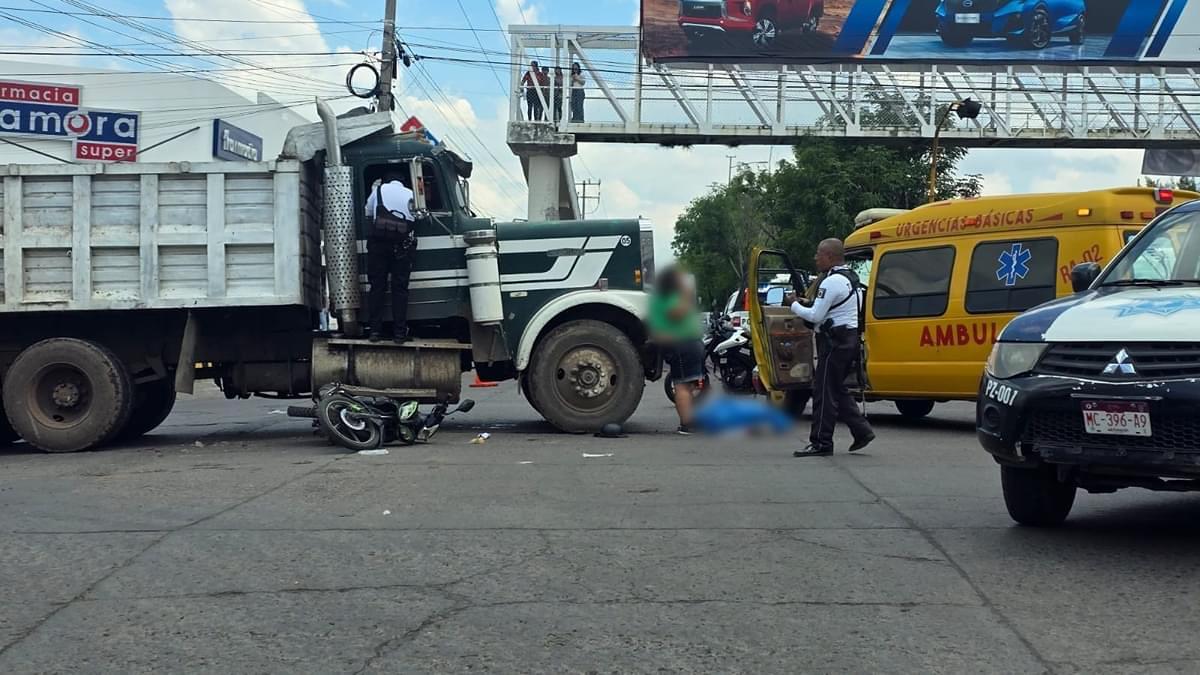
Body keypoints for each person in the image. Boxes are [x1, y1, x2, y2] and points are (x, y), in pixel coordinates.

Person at [785, 238, 875, 457]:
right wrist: (808, 304)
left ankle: (821, 443)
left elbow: (816, 315)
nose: (816, 258)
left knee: (823, 393)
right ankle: (862, 431)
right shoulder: (849, 279)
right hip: (848, 339)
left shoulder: (830, 281)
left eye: (819, 254)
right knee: (835, 389)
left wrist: (794, 305)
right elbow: (829, 309)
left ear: (830, 256)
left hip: (834, 343)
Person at [649, 266, 705, 435]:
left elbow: (676, 313)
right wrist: (686, 290)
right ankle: (689, 422)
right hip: (685, 343)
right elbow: (677, 313)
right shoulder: (670, 298)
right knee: (685, 386)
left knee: (684, 385)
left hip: (682, 344)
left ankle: (689, 422)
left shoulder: (664, 298)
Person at [364, 172, 417, 343]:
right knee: (399, 289)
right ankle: (400, 334)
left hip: (378, 245)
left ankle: (374, 332)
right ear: (403, 182)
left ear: (387, 180)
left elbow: (368, 211)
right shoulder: (411, 194)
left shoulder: (378, 191)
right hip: (401, 246)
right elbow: (416, 216)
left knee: (377, 287)